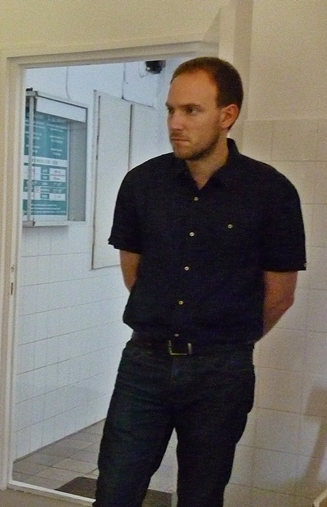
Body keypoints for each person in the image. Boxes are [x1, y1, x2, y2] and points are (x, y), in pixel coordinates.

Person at [94, 56, 306, 506]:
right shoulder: (141, 184)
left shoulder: (271, 193)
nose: (176, 123)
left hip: (221, 371)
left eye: (191, 110)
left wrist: (224, 339)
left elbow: (280, 296)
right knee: (114, 490)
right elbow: (135, 275)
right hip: (145, 364)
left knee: (202, 495)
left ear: (227, 115)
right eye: (171, 110)